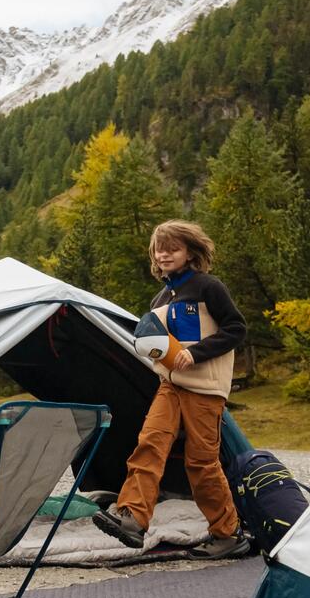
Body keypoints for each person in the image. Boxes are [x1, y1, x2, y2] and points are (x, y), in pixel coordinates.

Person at [92, 220, 248, 559]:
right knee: (149, 444)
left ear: (190, 252)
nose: (163, 254)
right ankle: (132, 518)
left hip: (206, 388)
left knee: (202, 463)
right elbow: (159, 343)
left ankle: (228, 534)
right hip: (170, 386)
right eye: (159, 249)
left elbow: (236, 329)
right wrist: (154, 353)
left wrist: (196, 353)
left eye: (172, 248)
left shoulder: (209, 287)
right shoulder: (160, 298)